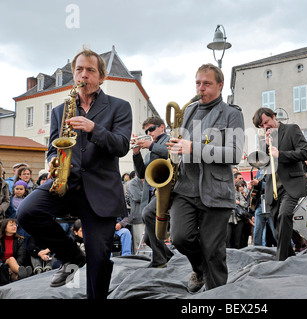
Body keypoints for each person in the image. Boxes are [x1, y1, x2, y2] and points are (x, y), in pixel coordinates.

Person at [17, 48, 132, 299]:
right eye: (79, 69)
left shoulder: (120, 107)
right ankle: (71, 255)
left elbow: (122, 145)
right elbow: (51, 148)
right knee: (27, 212)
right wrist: (53, 164)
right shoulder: (61, 110)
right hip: (66, 183)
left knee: (99, 258)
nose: (84, 75)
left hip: (100, 189)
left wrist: (94, 128)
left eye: (90, 70)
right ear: (73, 73)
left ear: (102, 77)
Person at [167, 63, 244, 292]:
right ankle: (199, 269)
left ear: (220, 85)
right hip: (185, 188)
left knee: (214, 252)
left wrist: (193, 147)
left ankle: (216, 296)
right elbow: (179, 146)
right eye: (198, 83)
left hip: (216, 192)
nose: (201, 88)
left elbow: (234, 154)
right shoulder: (189, 110)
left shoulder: (233, 114)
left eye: (207, 83)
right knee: (180, 238)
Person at [252, 107, 307, 261]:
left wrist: (280, 154)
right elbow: (265, 164)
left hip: (291, 185)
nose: (265, 127)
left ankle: (280, 260)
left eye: (266, 122)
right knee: (278, 228)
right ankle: (290, 256)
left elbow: (304, 153)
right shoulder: (265, 139)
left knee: (284, 215)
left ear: (274, 117)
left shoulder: (291, 130)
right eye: (261, 126)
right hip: (273, 188)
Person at [132, 116, 173, 267]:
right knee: (149, 239)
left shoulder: (169, 140)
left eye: (151, 129)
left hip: (166, 191)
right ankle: (169, 257)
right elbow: (142, 173)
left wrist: (150, 145)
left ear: (162, 127)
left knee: (148, 214)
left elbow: (170, 152)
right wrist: (136, 154)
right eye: (146, 131)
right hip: (151, 194)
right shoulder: (151, 149)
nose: (149, 132)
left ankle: (159, 260)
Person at [0, 219, 32, 285]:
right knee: (11, 259)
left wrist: (13, 267)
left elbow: (21, 255)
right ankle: (24, 273)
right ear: (5, 228)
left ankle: (18, 276)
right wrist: (7, 267)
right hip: (2, 264)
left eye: (15, 225)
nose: (15, 227)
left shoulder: (19, 240)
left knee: (13, 262)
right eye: (11, 225)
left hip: (15, 264)